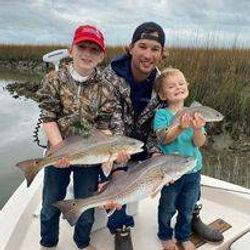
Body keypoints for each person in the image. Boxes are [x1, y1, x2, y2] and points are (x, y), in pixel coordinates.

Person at [103, 22, 223, 250]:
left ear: (162, 53)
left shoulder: (162, 82)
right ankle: (121, 228)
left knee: (186, 170)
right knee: (115, 179)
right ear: (130, 47)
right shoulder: (110, 77)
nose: (148, 54)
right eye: (142, 46)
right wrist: (119, 161)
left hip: (149, 143)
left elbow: (155, 130)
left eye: (155, 49)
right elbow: (111, 119)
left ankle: (191, 220)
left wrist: (157, 152)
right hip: (116, 143)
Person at [37, 25, 116, 250]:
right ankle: (48, 243)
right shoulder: (54, 79)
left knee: (86, 206)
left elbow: (104, 127)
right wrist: (60, 149)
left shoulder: (106, 87)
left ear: (101, 56)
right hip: (58, 150)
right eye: (82, 46)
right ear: (71, 49)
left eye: (94, 50)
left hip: (89, 158)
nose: (87, 53)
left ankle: (82, 243)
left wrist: (110, 152)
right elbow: (48, 117)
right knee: (50, 204)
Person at [153, 67, 207, 250]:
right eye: (171, 86)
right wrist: (180, 127)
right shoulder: (162, 114)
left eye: (181, 83)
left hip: (192, 171)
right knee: (167, 207)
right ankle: (165, 235)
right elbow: (163, 138)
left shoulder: (195, 112)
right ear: (162, 95)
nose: (178, 87)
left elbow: (199, 143)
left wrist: (198, 128)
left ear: (187, 87)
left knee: (187, 207)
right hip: (170, 172)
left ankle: (183, 235)